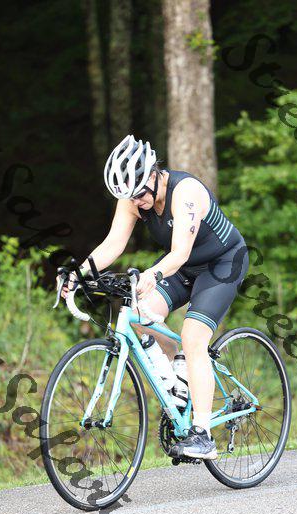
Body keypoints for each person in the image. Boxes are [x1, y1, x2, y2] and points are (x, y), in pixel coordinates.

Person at [59, 134, 249, 460]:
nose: (136, 201)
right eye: (128, 197)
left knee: (193, 337)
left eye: (139, 193)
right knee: (140, 314)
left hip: (222, 263)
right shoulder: (132, 198)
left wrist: (153, 274)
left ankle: (203, 435)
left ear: (153, 173)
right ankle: (178, 383)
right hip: (183, 267)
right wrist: (78, 273)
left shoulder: (185, 192)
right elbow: (113, 244)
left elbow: (180, 252)